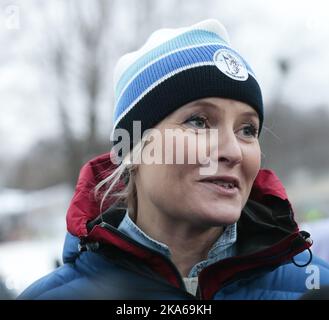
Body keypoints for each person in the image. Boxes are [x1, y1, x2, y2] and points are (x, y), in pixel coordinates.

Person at [19, 19, 329, 300]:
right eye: (198, 122)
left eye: (247, 129)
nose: (233, 151)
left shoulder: (313, 286)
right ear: (132, 150)